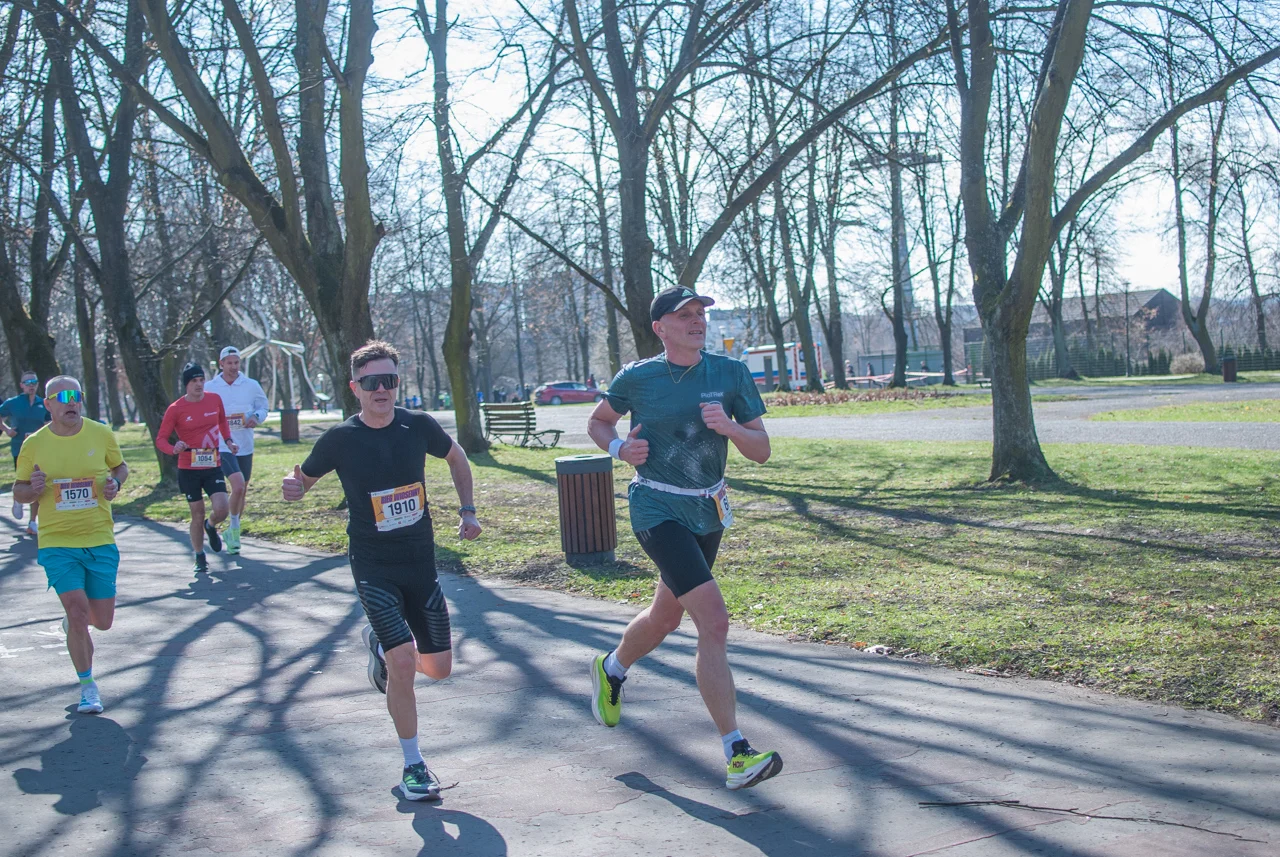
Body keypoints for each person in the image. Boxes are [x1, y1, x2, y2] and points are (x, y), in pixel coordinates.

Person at [586, 286, 782, 791]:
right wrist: (617, 447)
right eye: (686, 315)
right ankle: (736, 751)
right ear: (661, 328)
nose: (698, 322)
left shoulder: (730, 373)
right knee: (713, 622)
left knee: (666, 616)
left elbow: (761, 450)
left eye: (701, 315)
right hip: (655, 506)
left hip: (708, 508)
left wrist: (732, 429)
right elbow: (599, 420)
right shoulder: (638, 377)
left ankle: (612, 667)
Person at [282, 340, 482, 801]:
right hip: (372, 565)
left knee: (440, 669)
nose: (382, 390)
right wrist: (294, 488)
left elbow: (457, 457)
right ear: (355, 387)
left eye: (390, 380)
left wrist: (467, 510)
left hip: (420, 562)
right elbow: (303, 482)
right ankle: (414, 765)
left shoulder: (419, 426)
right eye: (372, 382)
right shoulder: (340, 440)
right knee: (404, 661)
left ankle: (376, 643)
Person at [13, 376, 128, 715]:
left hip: (99, 538)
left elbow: (120, 468)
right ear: (48, 405)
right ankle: (87, 687)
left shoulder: (101, 433)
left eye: (76, 395)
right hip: (57, 542)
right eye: (62, 397)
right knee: (77, 613)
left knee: (102, 621)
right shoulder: (34, 444)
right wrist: (31, 489)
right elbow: (18, 490)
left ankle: (74, 627)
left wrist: (114, 484)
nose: (71, 402)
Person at [156, 362, 237, 573]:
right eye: (194, 381)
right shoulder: (176, 409)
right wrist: (174, 448)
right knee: (197, 514)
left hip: (212, 464)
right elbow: (161, 440)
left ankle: (211, 526)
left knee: (222, 509)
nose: (199, 385)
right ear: (186, 385)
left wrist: (228, 441)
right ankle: (200, 556)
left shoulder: (214, 399)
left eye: (201, 380)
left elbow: (222, 423)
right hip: (188, 468)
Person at [204, 346, 269, 555]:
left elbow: (263, 406)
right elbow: (202, 412)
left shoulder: (251, 385)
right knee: (238, 486)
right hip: (221, 445)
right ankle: (234, 528)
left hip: (245, 445)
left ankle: (232, 529)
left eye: (236, 362)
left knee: (242, 490)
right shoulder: (210, 387)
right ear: (221, 364)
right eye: (229, 363)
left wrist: (256, 417)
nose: (233, 367)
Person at [1, 370, 52, 533]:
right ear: (22, 385)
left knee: (36, 484)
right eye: (28, 383)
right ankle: (18, 498)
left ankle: (32, 522)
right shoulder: (13, 403)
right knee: (24, 481)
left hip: (39, 448)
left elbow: (50, 423)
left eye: (34, 382)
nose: (31, 386)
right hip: (19, 448)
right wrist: (7, 430)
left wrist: (40, 433)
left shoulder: (42, 403)